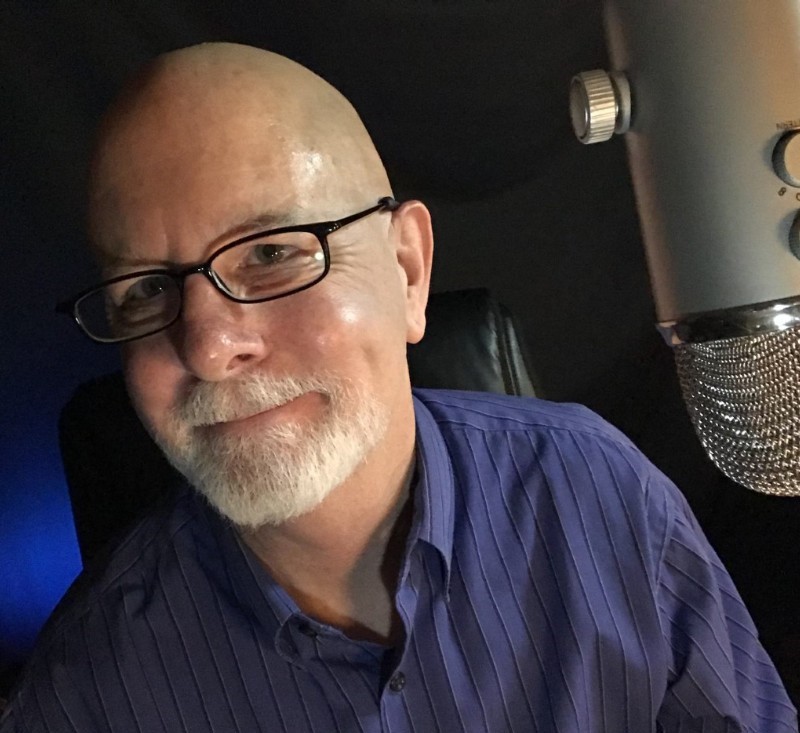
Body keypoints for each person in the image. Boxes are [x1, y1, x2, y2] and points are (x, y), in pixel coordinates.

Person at [1, 42, 796, 732]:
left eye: (273, 252)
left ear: (407, 269)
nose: (209, 346)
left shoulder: (602, 496)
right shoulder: (88, 690)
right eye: (145, 290)